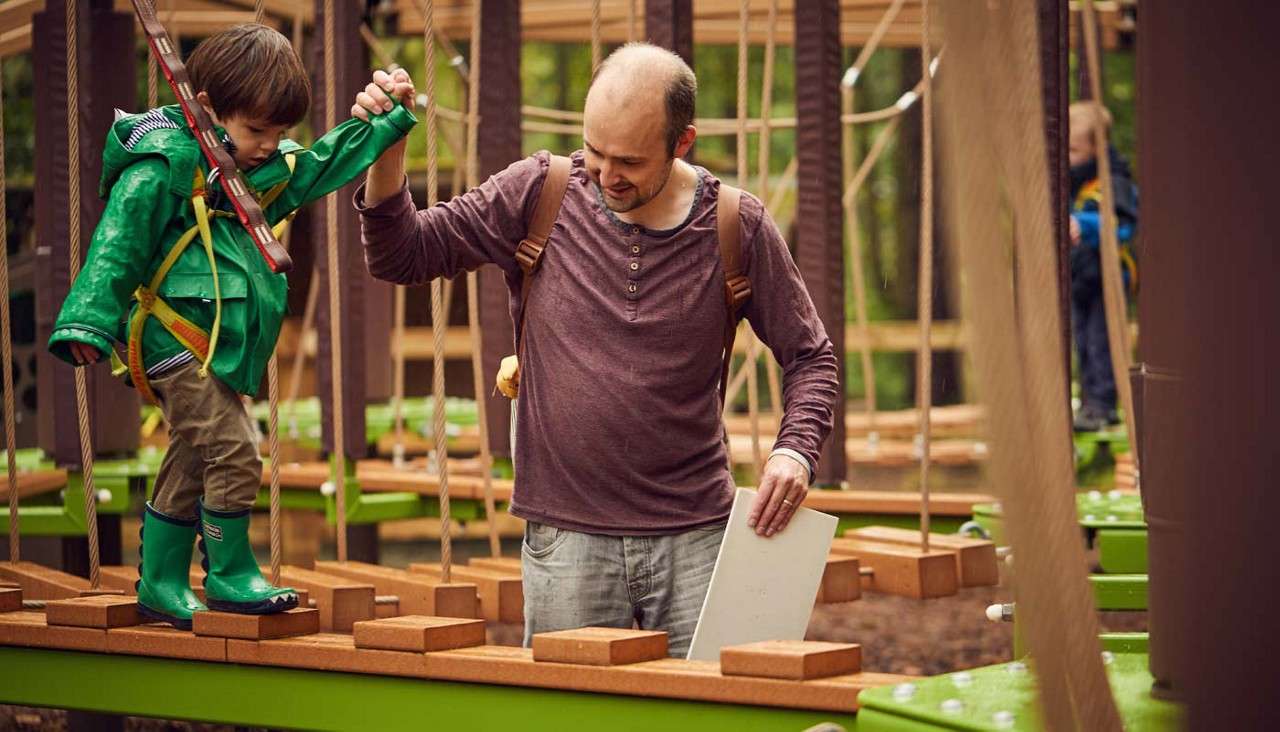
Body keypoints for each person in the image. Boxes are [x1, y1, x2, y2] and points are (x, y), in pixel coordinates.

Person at [353, 44, 839, 657]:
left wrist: (795, 452)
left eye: (630, 161)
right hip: (566, 543)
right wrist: (387, 153)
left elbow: (811, 357)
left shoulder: (736, 225)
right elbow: (402, 255)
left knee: (719, 718)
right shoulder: (540, 191)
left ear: (682, 141)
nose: (606, 175)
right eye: (596, 151)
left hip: (697, 540)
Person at [47, 24, 418, 629]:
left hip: (210, 344)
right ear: (211, 112)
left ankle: (161, 580)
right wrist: (88, 321)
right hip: (172, 338)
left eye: (278, 134)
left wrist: (383, 125)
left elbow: (319, 164)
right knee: (235, 450)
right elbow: (118, 241)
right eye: (257, 132)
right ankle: (227, 570)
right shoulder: (163, 165)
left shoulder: (249, 170)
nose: (271, 146)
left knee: (196, 454)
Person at [1068, 101, 1139, 432]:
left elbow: (1121, 227)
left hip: (1107, 281)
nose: (1067, 157)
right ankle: (1090, 403)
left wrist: (1084, 225)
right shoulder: (1071, 183)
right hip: (1081, 279)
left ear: (1097, 148)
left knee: (1101, 341)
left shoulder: (1113, 183)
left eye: (1073, 149)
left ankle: (1104, 404)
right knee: (1081, 341)